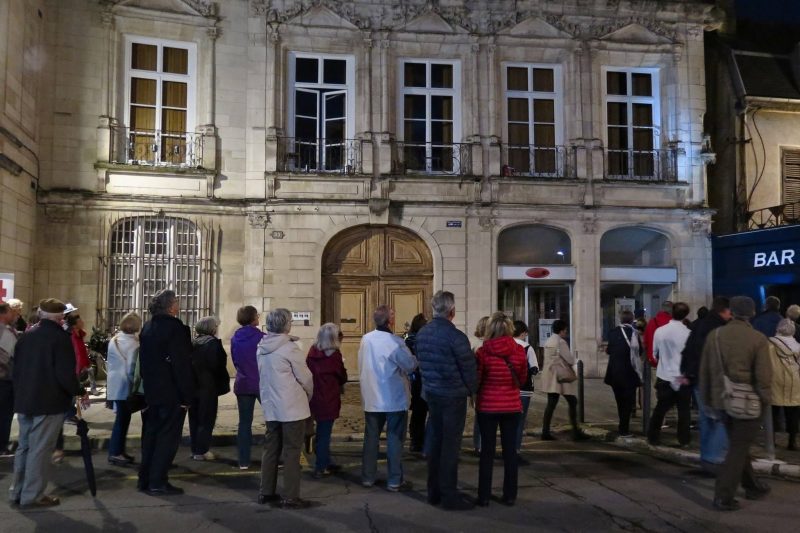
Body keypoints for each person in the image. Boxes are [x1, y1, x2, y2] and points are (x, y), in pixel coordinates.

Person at [700, 296, 772, 511]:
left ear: (731, 312)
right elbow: (763, 376)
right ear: (751, 314)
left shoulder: (715, 335)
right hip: (747, 401)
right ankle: (723, 496)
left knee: (738, 444)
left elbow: (705, 371)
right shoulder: (757, 338)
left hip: (721, 399)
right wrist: (766, 400)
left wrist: (707, 400)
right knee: (738, 448)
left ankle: (752, 485)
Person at [9, 299, 83, 508]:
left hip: (25, 400)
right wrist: (77, 389)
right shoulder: (60, 338)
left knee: (24, 447)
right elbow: (64, 374)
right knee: (40, 450)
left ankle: (17, 491)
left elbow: (16, 368)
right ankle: (32, 495)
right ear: (60, 317)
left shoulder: (27, 336)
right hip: (49, 402)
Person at [416, 291, 477, 510]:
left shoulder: (422, 334)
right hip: (452, 396)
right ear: (452, 310)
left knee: (435, 443)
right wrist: (473, 391)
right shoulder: (456, 337)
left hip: (432, 394)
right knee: (450, 447)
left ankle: (433, 492)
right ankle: (449, 495)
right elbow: (469, 369)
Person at [137, 289, 194, 496]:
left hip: (152, 390)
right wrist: (186, 395)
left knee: (151, 436)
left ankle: (145, 478)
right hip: (171, 392)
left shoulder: (148, 327)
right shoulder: (176, 329)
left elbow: (143, 362)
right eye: (177, 301)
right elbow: (182, 365)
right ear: (171, 306)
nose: (178, 305)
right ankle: (158, 481)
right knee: (167, 439)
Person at [257, 308, 314, 509]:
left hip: (272, 406)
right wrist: (308, 395)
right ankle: (290, 496)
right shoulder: (289, 349)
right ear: (285, 324)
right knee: (291, 451)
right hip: (292, 407)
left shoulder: (262, 346)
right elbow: (306, 377)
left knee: (271, 449)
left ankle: (266, 491)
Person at [359, 305, 417, 492]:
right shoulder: (395, 342)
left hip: (372, 396)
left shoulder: (365, 339)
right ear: (390, 320)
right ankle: (394, 479)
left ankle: (368, 477)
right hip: (393, 398)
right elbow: (409, 365)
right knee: (394, 439)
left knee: (371, 439)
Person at [475, 313, 527, 507]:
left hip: (488, 406)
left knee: (487, 452)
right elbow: (521, 380)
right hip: (512, 406)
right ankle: (510, 495)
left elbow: (478, 380)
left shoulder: (483, 352)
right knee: (510, 452)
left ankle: (484, 496)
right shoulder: (519, 351)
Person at [680, 297, 731, 468]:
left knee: (705, 418)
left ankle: (706, 455)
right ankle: (713, 456)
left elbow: (687, 350)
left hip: (697, 378)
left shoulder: (697, 325)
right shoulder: (721, 329)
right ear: (724, 311)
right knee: (720, 418)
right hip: (713, 379)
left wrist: (687, 372)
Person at [647, 302, 692, 446]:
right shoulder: (689, 333)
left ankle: (653, 437)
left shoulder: (660, 331)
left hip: (665, 374)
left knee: (660, 409)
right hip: (682, 376)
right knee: (684, 410)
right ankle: (684, 439)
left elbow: (654, 353)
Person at [307, 323, 348, 478]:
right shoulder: (335, 355)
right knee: (324, 433)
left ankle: (325, 460)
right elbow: (342, 376)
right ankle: (321, 466)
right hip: (329, 397)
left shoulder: (312, 353)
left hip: (315, 396)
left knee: (322, 432)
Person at [53, 306, 91, 464]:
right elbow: (72, 355)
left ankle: (57, 448)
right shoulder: (66, 337)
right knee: (62, 409)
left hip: (75, 372)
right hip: (70, 373)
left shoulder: (75, 334)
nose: (83, 321)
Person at [189, 316, 230, 461]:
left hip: (193, 386)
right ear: (212, 329)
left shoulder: (193, 343)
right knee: (206, 419)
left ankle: (195, 448)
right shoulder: (212, 344)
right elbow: (217, 366)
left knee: (194, 418)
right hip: (208, 387)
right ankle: (202, 450)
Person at [105, 312, 143, 466]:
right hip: (125, 385)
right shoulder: (134, 343)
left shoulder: (114, 339)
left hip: (114, 383)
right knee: (122, 421)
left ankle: (117, 451)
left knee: (120, 419)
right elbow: (131, 368)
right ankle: (116, 452)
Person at [541, 320, 588, 441]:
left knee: (551, 404)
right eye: (565, 330)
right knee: (572, 401)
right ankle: (576, 431)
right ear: (561, 330)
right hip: (560, 376)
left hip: (551, 375)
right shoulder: (561, 342)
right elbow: (570, 360)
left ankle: (545, 431)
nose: (566, 332)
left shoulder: (549, 341)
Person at [230, 305, 264, 470]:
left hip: (243, 382)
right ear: (252, 318)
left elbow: (236, 360)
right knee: (273, 422)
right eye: (257, 315)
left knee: (244, 423)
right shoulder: (262, 337)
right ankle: (274, 457)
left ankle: (243, 460)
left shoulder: (235, 337)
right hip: (261, 383)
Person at [604, 311, 643, 437]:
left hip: (615, 373)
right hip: (629, 372)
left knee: (620, 401)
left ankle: (622, 426)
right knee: (628, 402)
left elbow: (609, 350)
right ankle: (624, 429)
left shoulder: (612, 332)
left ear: (620, 320)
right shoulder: (634, 333)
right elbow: (639, 351)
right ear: (632, 320)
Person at [768, 319, 800, 451]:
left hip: (774, 380)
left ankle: (772, 440)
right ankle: (792, 442)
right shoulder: (798, 346)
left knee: (773, 412)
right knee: (792, 413)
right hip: (794, 382)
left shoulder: (769, 344)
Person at [512, 320, 539, 455]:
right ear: (523, 333)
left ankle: (507, 447)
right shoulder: (527, 347)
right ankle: (516, 448)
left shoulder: (505, 345)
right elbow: (534, 368)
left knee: (507, 421)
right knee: (519, 421)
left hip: (508, 388)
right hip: (524, 388)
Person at [405, 313, 428, 454]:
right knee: (420, 411)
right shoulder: (414, 340)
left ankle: (417, 440)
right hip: (419, 378)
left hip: (418, 378)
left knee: (419, 411)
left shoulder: (410, 339)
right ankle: (417, 440)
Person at [0, 303, 19, 458]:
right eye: (11, 313)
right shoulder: (5, 332)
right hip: (5, 380)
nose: (15, 316)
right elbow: (13, 355)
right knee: (5, 414)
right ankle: (2, 447)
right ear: (4, 313)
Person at [471, 315, 490, 455]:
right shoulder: (483, 346)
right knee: (485, 417)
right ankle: (482, 444)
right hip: (484, 383)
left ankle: (477, 444)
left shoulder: (472, 342)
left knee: (479, 416)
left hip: (475, 384)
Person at [644, 301, 673, 367]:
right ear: (672, 310)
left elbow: (645, 342)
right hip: (670, 361)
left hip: (654, 360)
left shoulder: (652, 322)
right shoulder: (674, 323)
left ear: (661, 309)